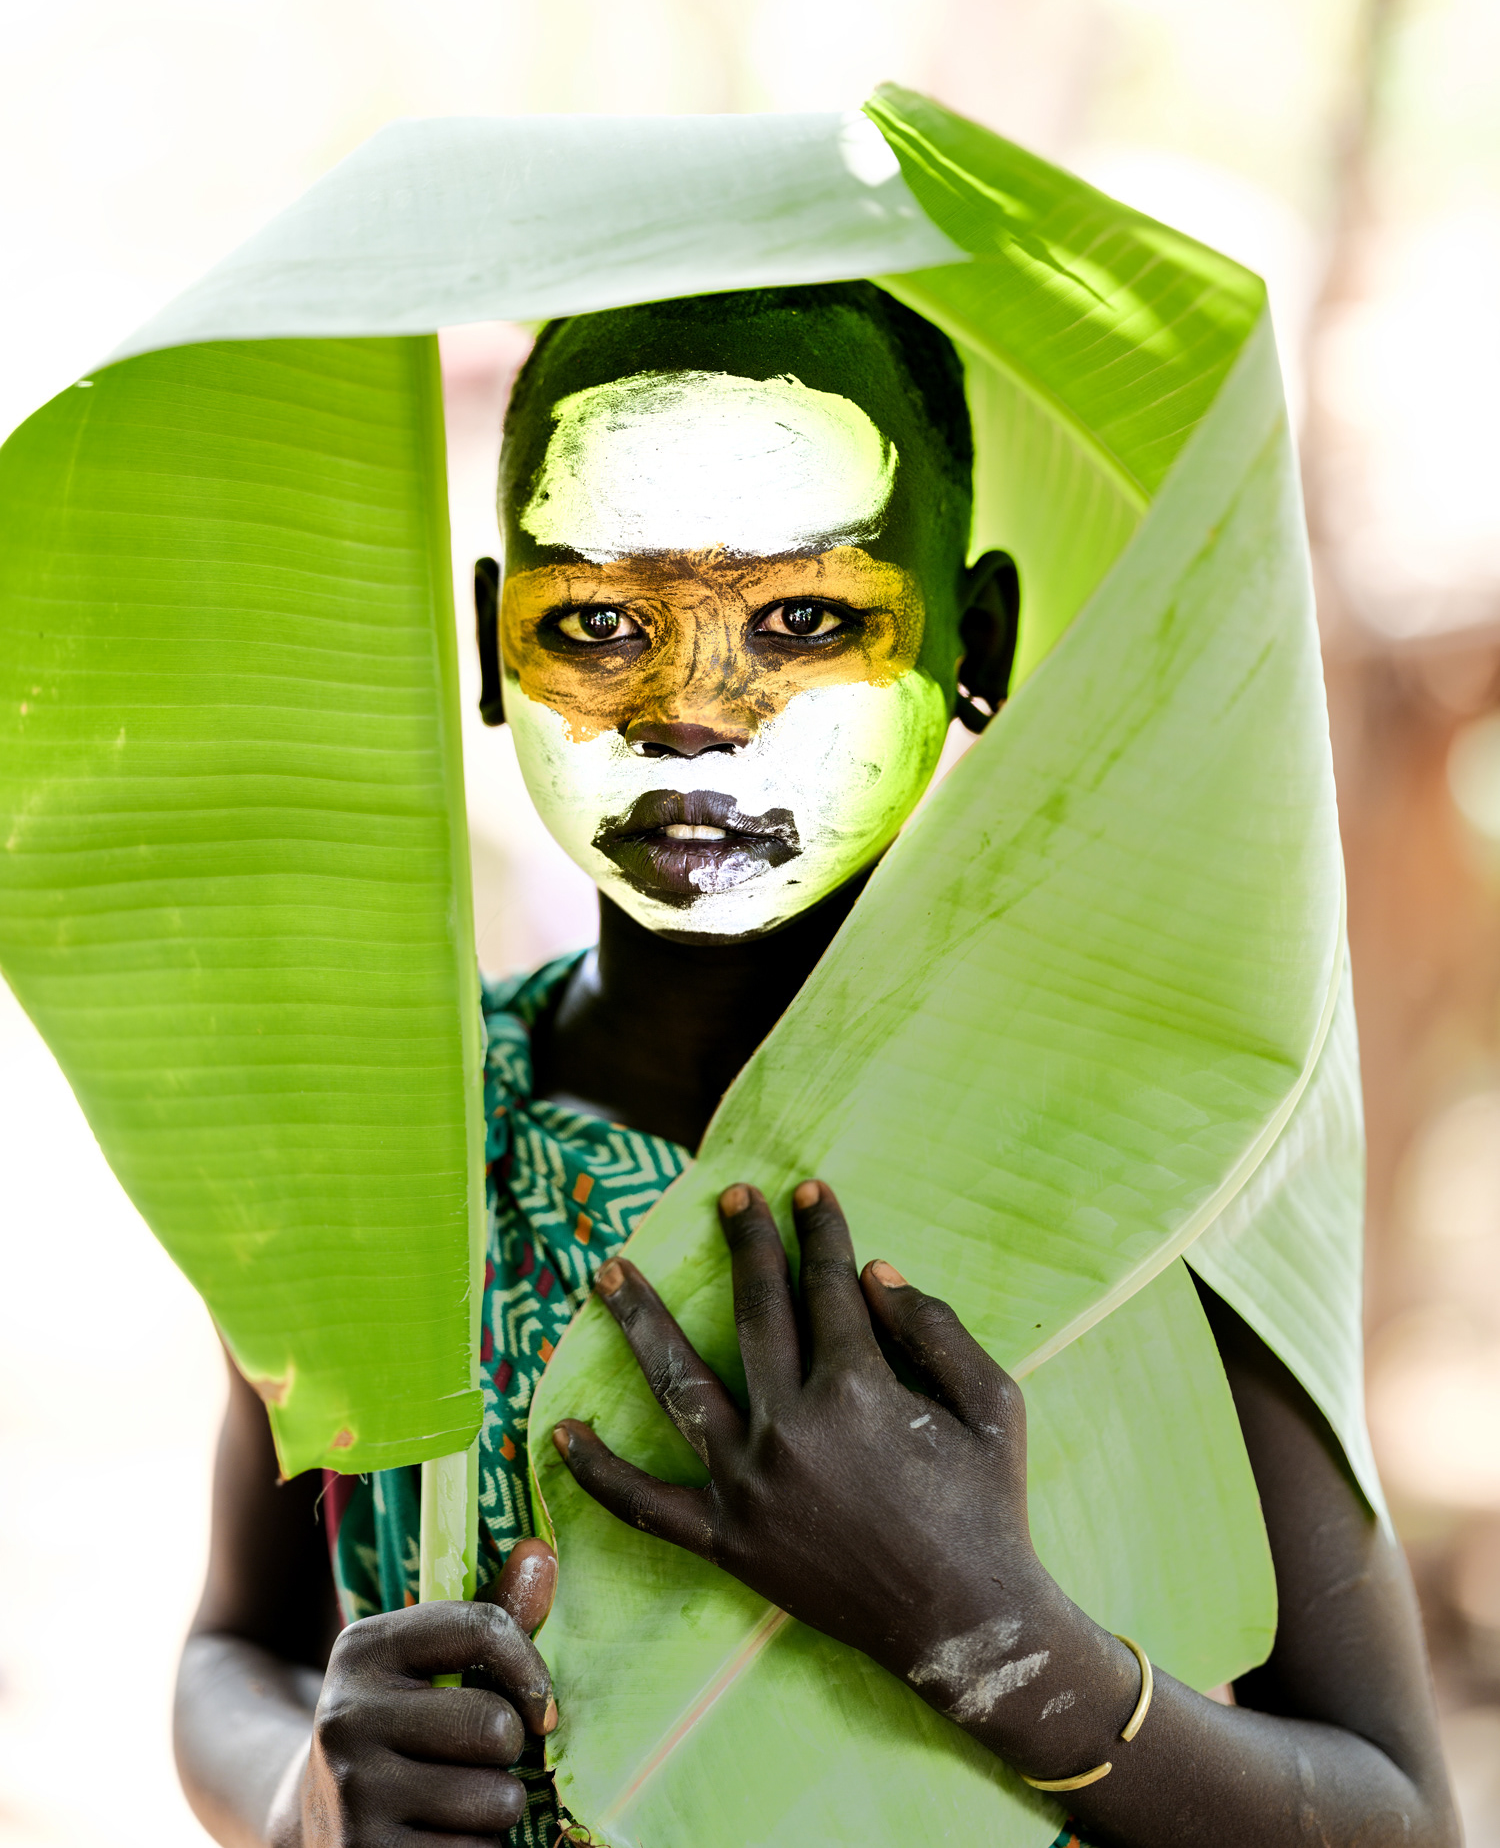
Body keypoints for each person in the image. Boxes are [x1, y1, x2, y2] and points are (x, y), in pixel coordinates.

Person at [174, 283, 1457, 1848]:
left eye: (804, 619)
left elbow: (1399, 1813)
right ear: (491, 644)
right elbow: (237, 1646)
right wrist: (302, 1792)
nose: (697, 712)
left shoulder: (1132, 1160)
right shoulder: (393, 1126)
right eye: (596, 621)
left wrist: (980, 1626)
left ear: (973, 644)